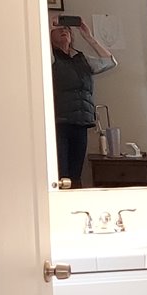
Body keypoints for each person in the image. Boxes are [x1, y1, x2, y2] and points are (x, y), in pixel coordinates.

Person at [50, 15, 115, 184]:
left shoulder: (82, 59)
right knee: (62, 176)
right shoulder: (50, 59)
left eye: (66, 28)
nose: (63, 30)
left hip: (81, 123)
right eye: (58, 29)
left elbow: (109, 62)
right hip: (59, 124)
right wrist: (47, 26)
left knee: (75, 175)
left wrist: (88, 36)